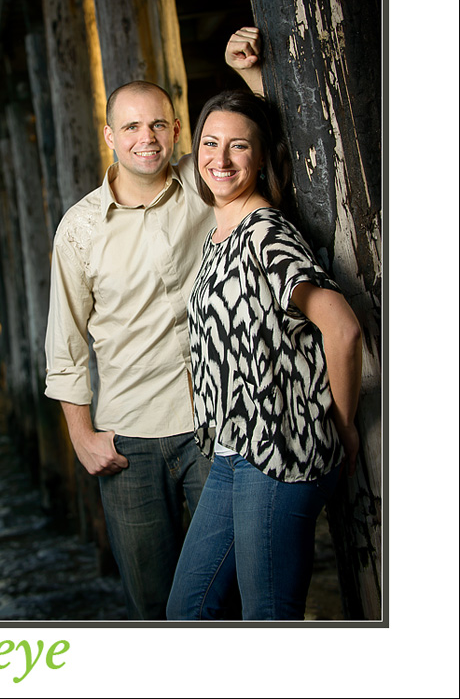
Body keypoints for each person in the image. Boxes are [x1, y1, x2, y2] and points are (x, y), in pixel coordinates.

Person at [166, 83, 362, 621]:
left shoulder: (264, 232)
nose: (220, 158)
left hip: (280, 452)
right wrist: (241, 73)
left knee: (268, 618)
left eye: (239, 146)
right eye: (209, 143)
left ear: (261, 155)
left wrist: (341, 428)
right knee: (188, 611)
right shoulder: (218, 235)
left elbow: (342, 331)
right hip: (232, 455)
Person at [44, 79, 217, 620]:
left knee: (231, 591)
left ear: (176, 129)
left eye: (159, 124)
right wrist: (81, 438)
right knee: (153, 604)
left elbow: (262, 147)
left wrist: (255, 79)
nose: (147, 138)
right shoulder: (79, 229)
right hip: (128, 444)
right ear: (110, 136)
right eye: (132, 127)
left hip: (215, 425)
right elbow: (65, 345)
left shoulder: (205, 181)